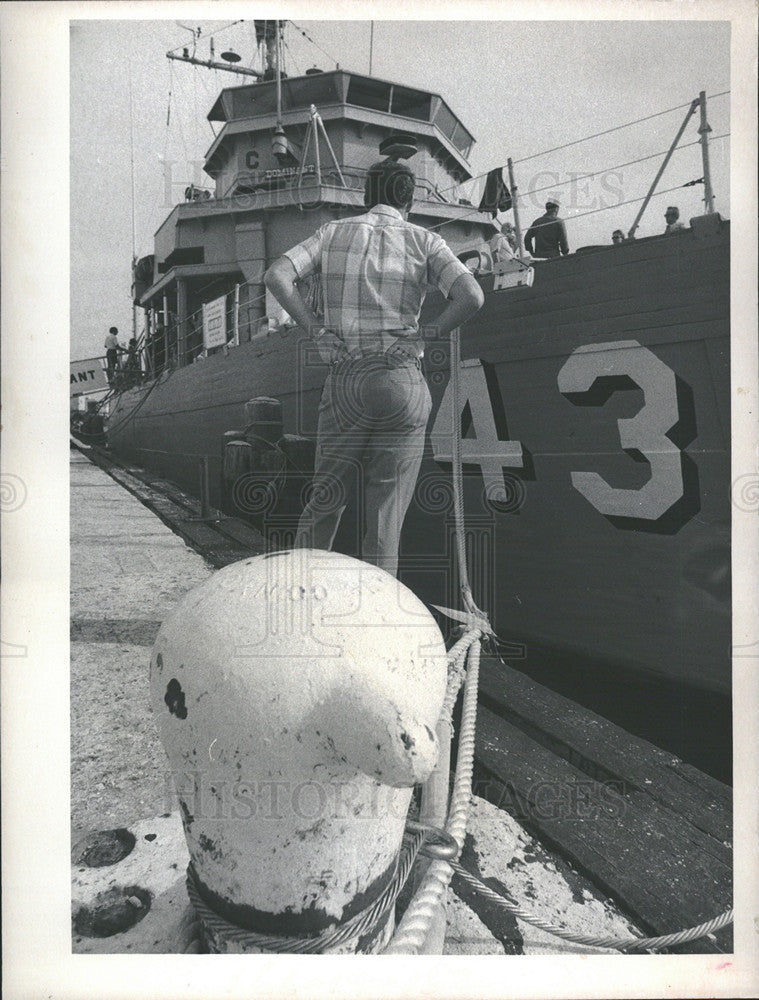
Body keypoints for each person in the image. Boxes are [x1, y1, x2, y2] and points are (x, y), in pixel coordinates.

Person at [264, 157, 484, 577]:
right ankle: (376, 616)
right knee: (386, 516)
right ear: (410, 200)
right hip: (401, 378)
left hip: (348, 376)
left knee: (326, 499)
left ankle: (298, 599)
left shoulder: (332, 232)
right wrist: (425, 336)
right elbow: (471, 296)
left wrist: (315, 330)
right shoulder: (426, 240)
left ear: (368, 196)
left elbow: (277, 275)